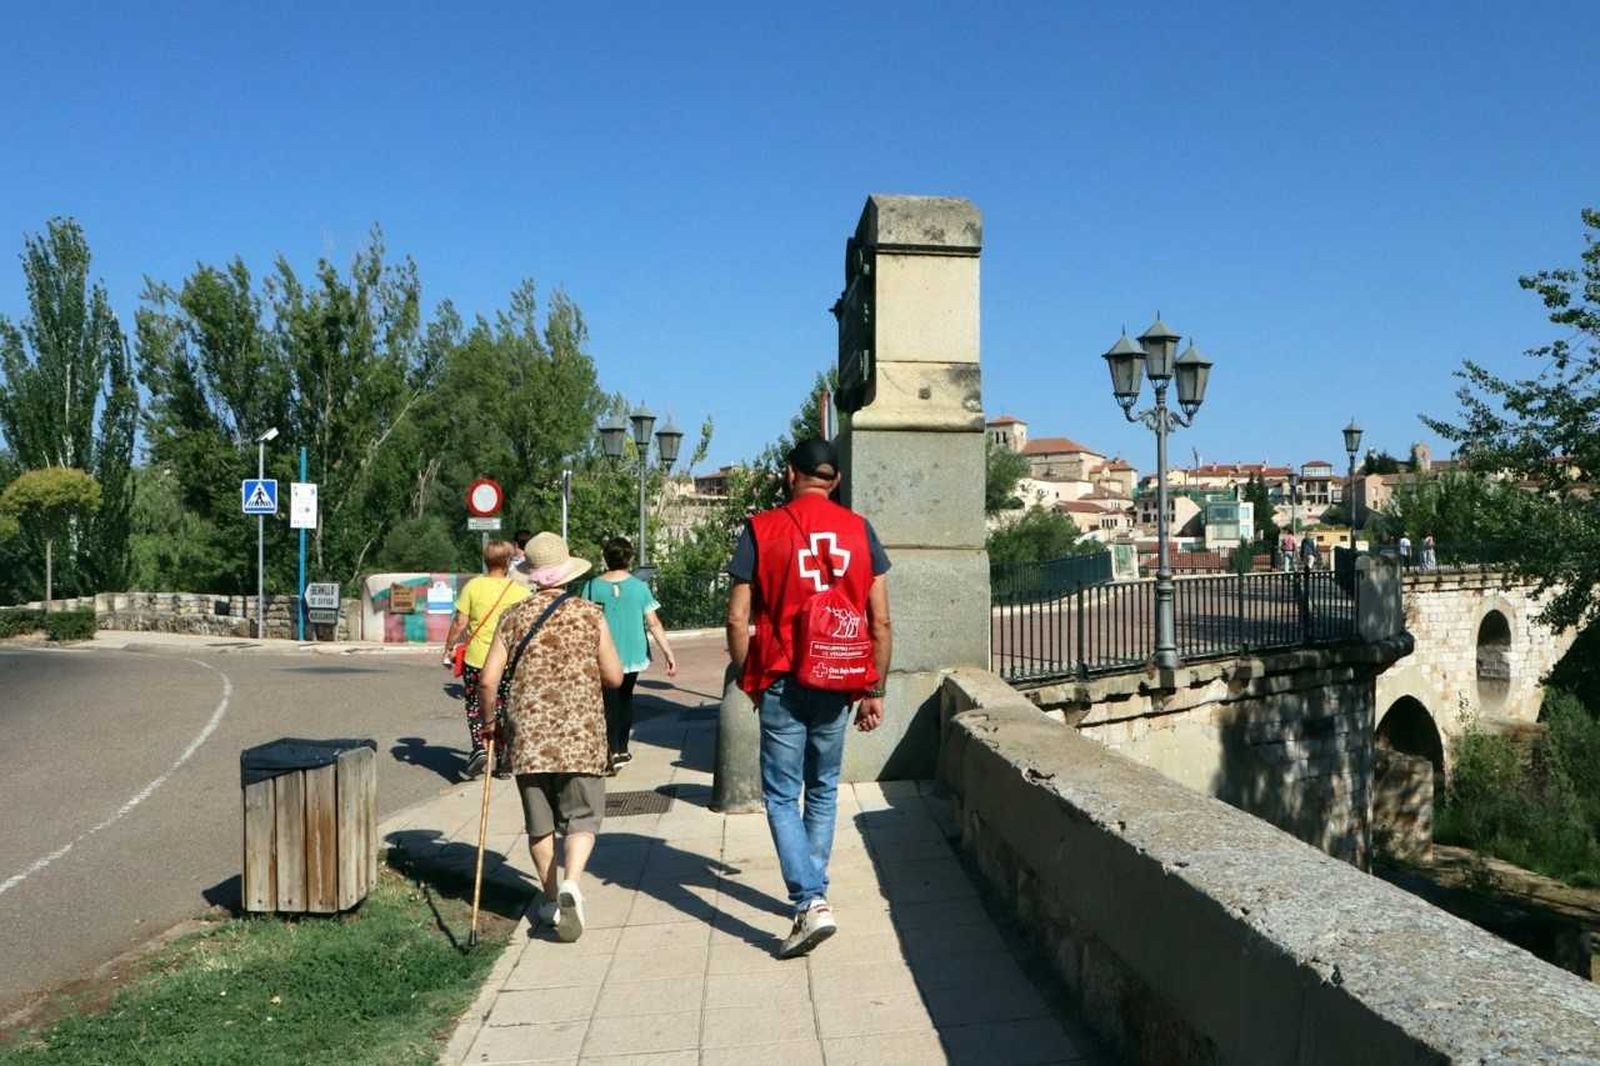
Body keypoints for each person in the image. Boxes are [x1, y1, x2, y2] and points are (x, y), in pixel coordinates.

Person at [726, 438, 893, 960]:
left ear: (788, 474)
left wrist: (747, 677)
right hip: (839, 676)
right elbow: (881, 621)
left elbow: (737, 617)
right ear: (836, 480)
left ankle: (810, 900)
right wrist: (874, 688)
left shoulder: (760, 529)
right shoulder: (860, 530)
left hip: (781, 675)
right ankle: (814, 893)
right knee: (822, 787)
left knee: (781, 794)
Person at [479, 532, 622, 942]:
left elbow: (488, 680)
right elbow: (614, 676)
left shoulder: (513, 616)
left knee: (539, 823)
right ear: (568, 572)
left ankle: (549, 897)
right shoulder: (589, 614)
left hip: (529, 737)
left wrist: (489, 724)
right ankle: (572, 882)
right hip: (581, 733)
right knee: (582, 818)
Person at [581, 536, 677, 772]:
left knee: (607, 702)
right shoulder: (639, 587)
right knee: (625, 699)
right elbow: (653, 623)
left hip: (603, 653)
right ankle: (622, 749)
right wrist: (668, 652)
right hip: (633, 651)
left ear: (605, 558)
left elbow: (583, 622)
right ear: (629, 559)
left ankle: (610, 750)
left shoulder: (591, 586)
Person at [441, 540, 529, 778]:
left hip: (477, 658)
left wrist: (448, 647)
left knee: (474, 704)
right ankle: (502, 758)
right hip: (507, 660)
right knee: (504, 707)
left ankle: (479, 747)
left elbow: (460, 622)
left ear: (486, 560)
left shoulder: (473, 586)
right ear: (508, 561)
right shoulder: (520, 591)